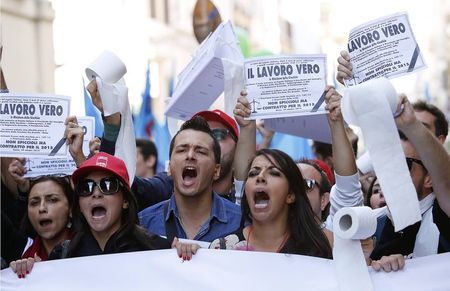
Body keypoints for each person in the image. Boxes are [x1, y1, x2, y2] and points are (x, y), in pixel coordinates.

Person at [337, 50, 450, 258]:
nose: (402, 140)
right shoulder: (373, 224)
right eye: (398, 133)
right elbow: (346, 189)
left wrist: (410, 125)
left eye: (406, 164)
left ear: (429, 179)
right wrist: (357, 88)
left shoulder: (440, 215)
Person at [139, 116, 241, 242]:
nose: (190, 155)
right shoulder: (144, 224)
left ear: (216, 171)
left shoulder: (241, 223)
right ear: (170, 168)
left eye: (201, 151)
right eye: (182, 150)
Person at [50, 152, 170, 259]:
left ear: (125, 201)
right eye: (86, 188)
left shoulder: (157, 251)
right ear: (79, 205)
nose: (96, 194)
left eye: (108, 186)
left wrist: (183, 255)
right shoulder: (63, 256)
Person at [7, 172, 74, 278]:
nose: (42, 208)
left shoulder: (91, 252)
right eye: (34, 203)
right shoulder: (25, 256)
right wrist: (19, 276)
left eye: (52, 200)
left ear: (71, 209)